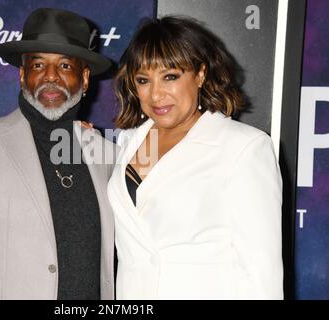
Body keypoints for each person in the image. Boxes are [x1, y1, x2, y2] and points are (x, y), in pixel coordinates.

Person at [0, 8, 117, 300]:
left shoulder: (107, 154)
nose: (50, 77)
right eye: (38, 65)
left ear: (86, 78)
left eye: (65, 66)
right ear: (23, 74)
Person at [107, 16, 283, 299]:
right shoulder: (129, 141)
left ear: (200, 75)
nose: (156, 94)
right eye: (143, 80)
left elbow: (261, 273)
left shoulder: (244, 147)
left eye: (170, 77)